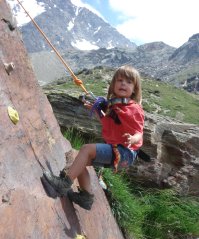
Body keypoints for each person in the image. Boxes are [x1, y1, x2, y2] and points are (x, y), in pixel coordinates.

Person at [43, 65, 144, 210]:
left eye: (128, 82)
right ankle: (86, 197)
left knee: (86, 149)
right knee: (81, 160)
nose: (123, 84)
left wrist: (133, 139)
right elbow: (108, 123)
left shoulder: (134, 109)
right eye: (120, 80)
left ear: (134, 89)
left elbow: (139, 132)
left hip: (125, 152)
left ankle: (63, 183)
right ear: (113, 85)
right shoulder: (115, 106)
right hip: (118, 151)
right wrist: (96, 110)